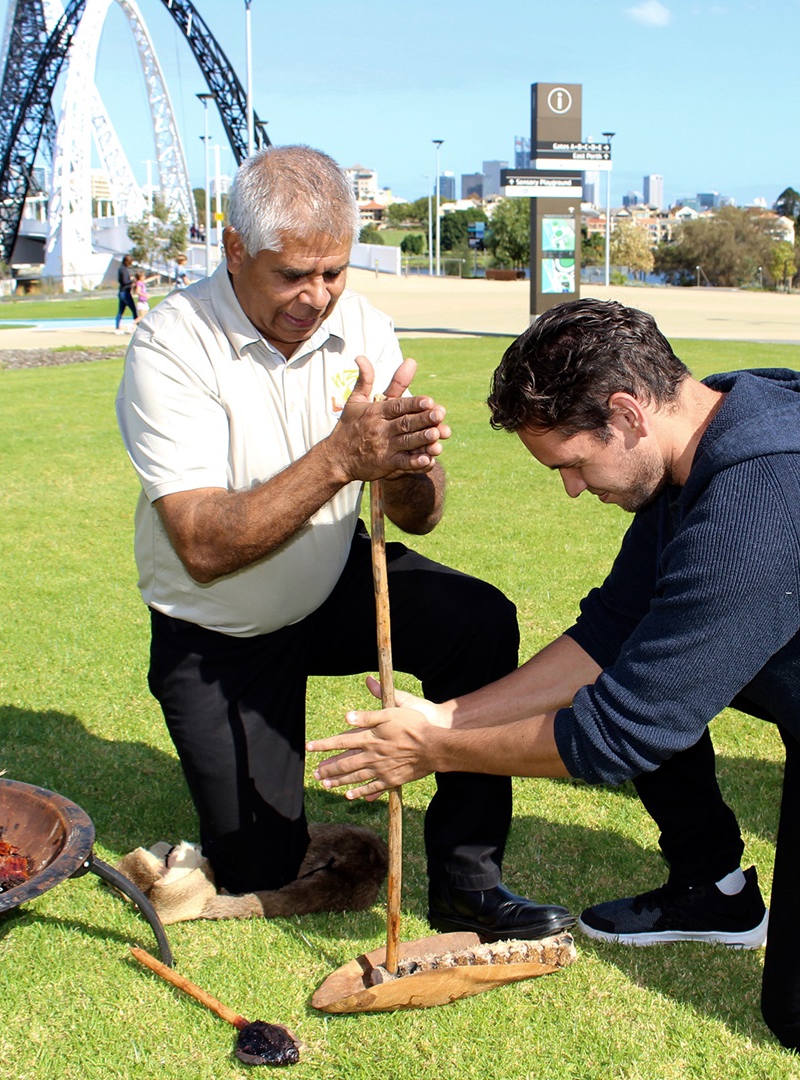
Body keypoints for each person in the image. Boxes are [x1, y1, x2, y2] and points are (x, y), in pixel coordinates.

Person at [310, 298, 800, 1054]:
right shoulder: (719, 426)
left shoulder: (757, 509)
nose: (572, 489)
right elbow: (611, 634)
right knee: (655, 660)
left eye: (573, 464)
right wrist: (447, 717)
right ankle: (712, 888)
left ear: (626, 413)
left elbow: (617, 736)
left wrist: (436, 754)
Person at [113, 145, 572, 941]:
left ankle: (468, 884)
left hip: (329, 583)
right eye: (292, 274)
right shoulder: (170, 342)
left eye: (333, 272)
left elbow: (419, 516)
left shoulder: (360, 325)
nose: (316, 297)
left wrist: (405, 465)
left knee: (479, 620)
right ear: (233, 251)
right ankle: (255, 838)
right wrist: (342, 458)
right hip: (218, 630)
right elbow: (201, 545)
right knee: (261, 865)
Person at [115, 255, 136, 330]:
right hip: (125, 293)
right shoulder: (123, 270)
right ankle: (137, 324)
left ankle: (117, 327)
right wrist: (132, 280)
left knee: (121, 311)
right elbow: (124, 281)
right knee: (134, 309)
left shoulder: (121, 269)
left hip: (122, 292)